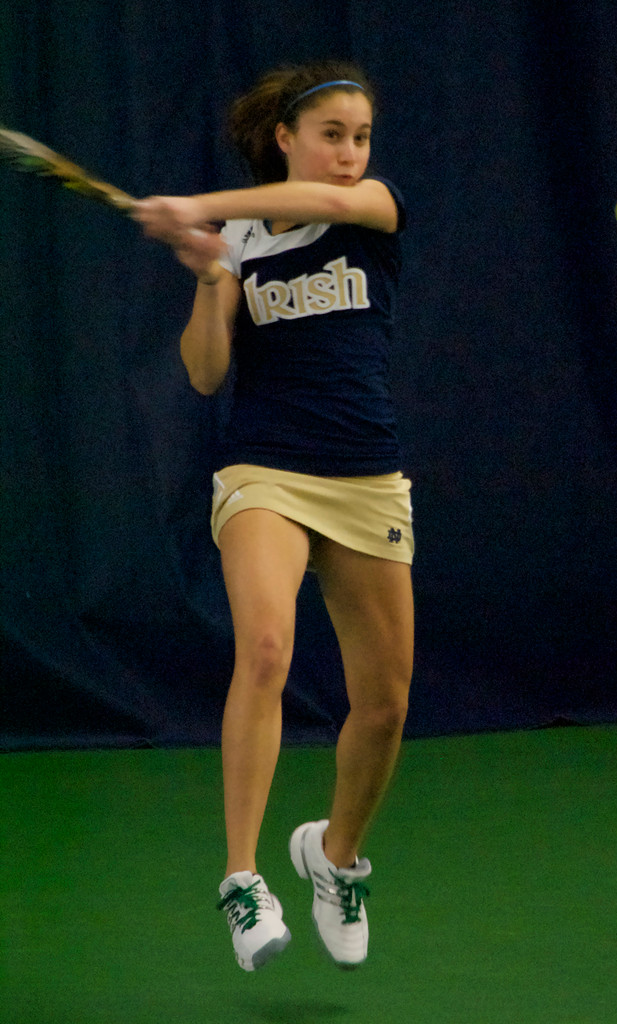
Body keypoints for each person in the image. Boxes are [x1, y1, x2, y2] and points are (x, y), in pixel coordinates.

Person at [134, 60, 414, 973]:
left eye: (359, 135)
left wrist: (187, 203)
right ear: (286, 137)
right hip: (265, 471)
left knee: (383, 705)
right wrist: (213, 271)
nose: (348, 154)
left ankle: (334, 858)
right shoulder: (244, 238)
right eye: (329, 134)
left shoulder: (372, 204)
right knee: (264, 649)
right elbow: (207, 373)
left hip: (366, 479)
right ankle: (242, 876)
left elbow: (324, 197)